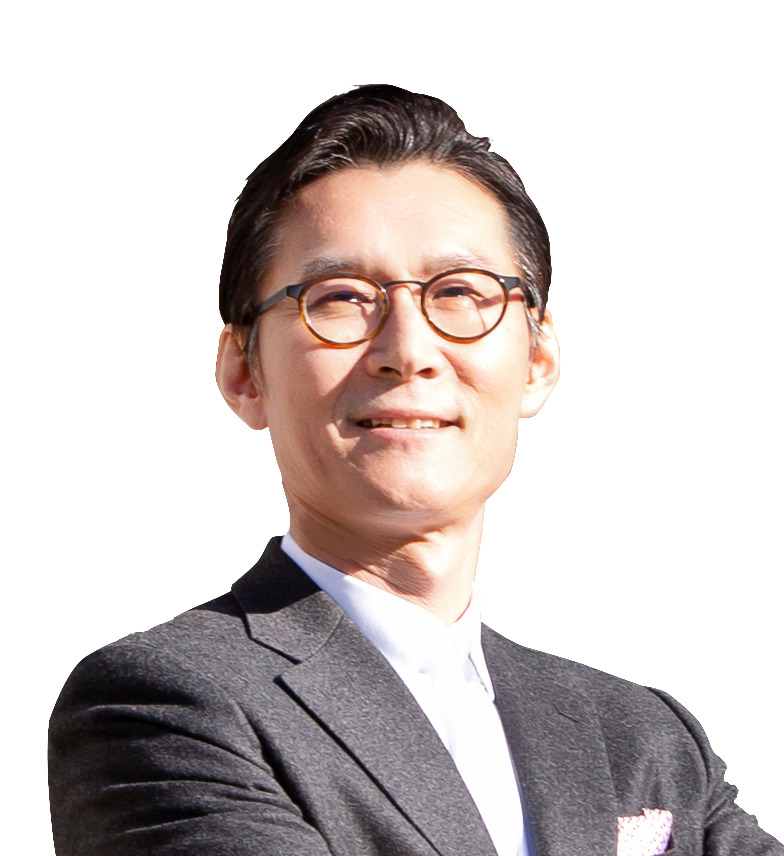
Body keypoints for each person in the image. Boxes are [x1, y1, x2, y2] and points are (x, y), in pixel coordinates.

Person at [48, 84, 782, 856]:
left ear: (537, 360)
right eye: (340, 297)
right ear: (243, 371)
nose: (408, 349)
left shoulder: (638, 738)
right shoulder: (166, 706)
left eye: (461, 293)